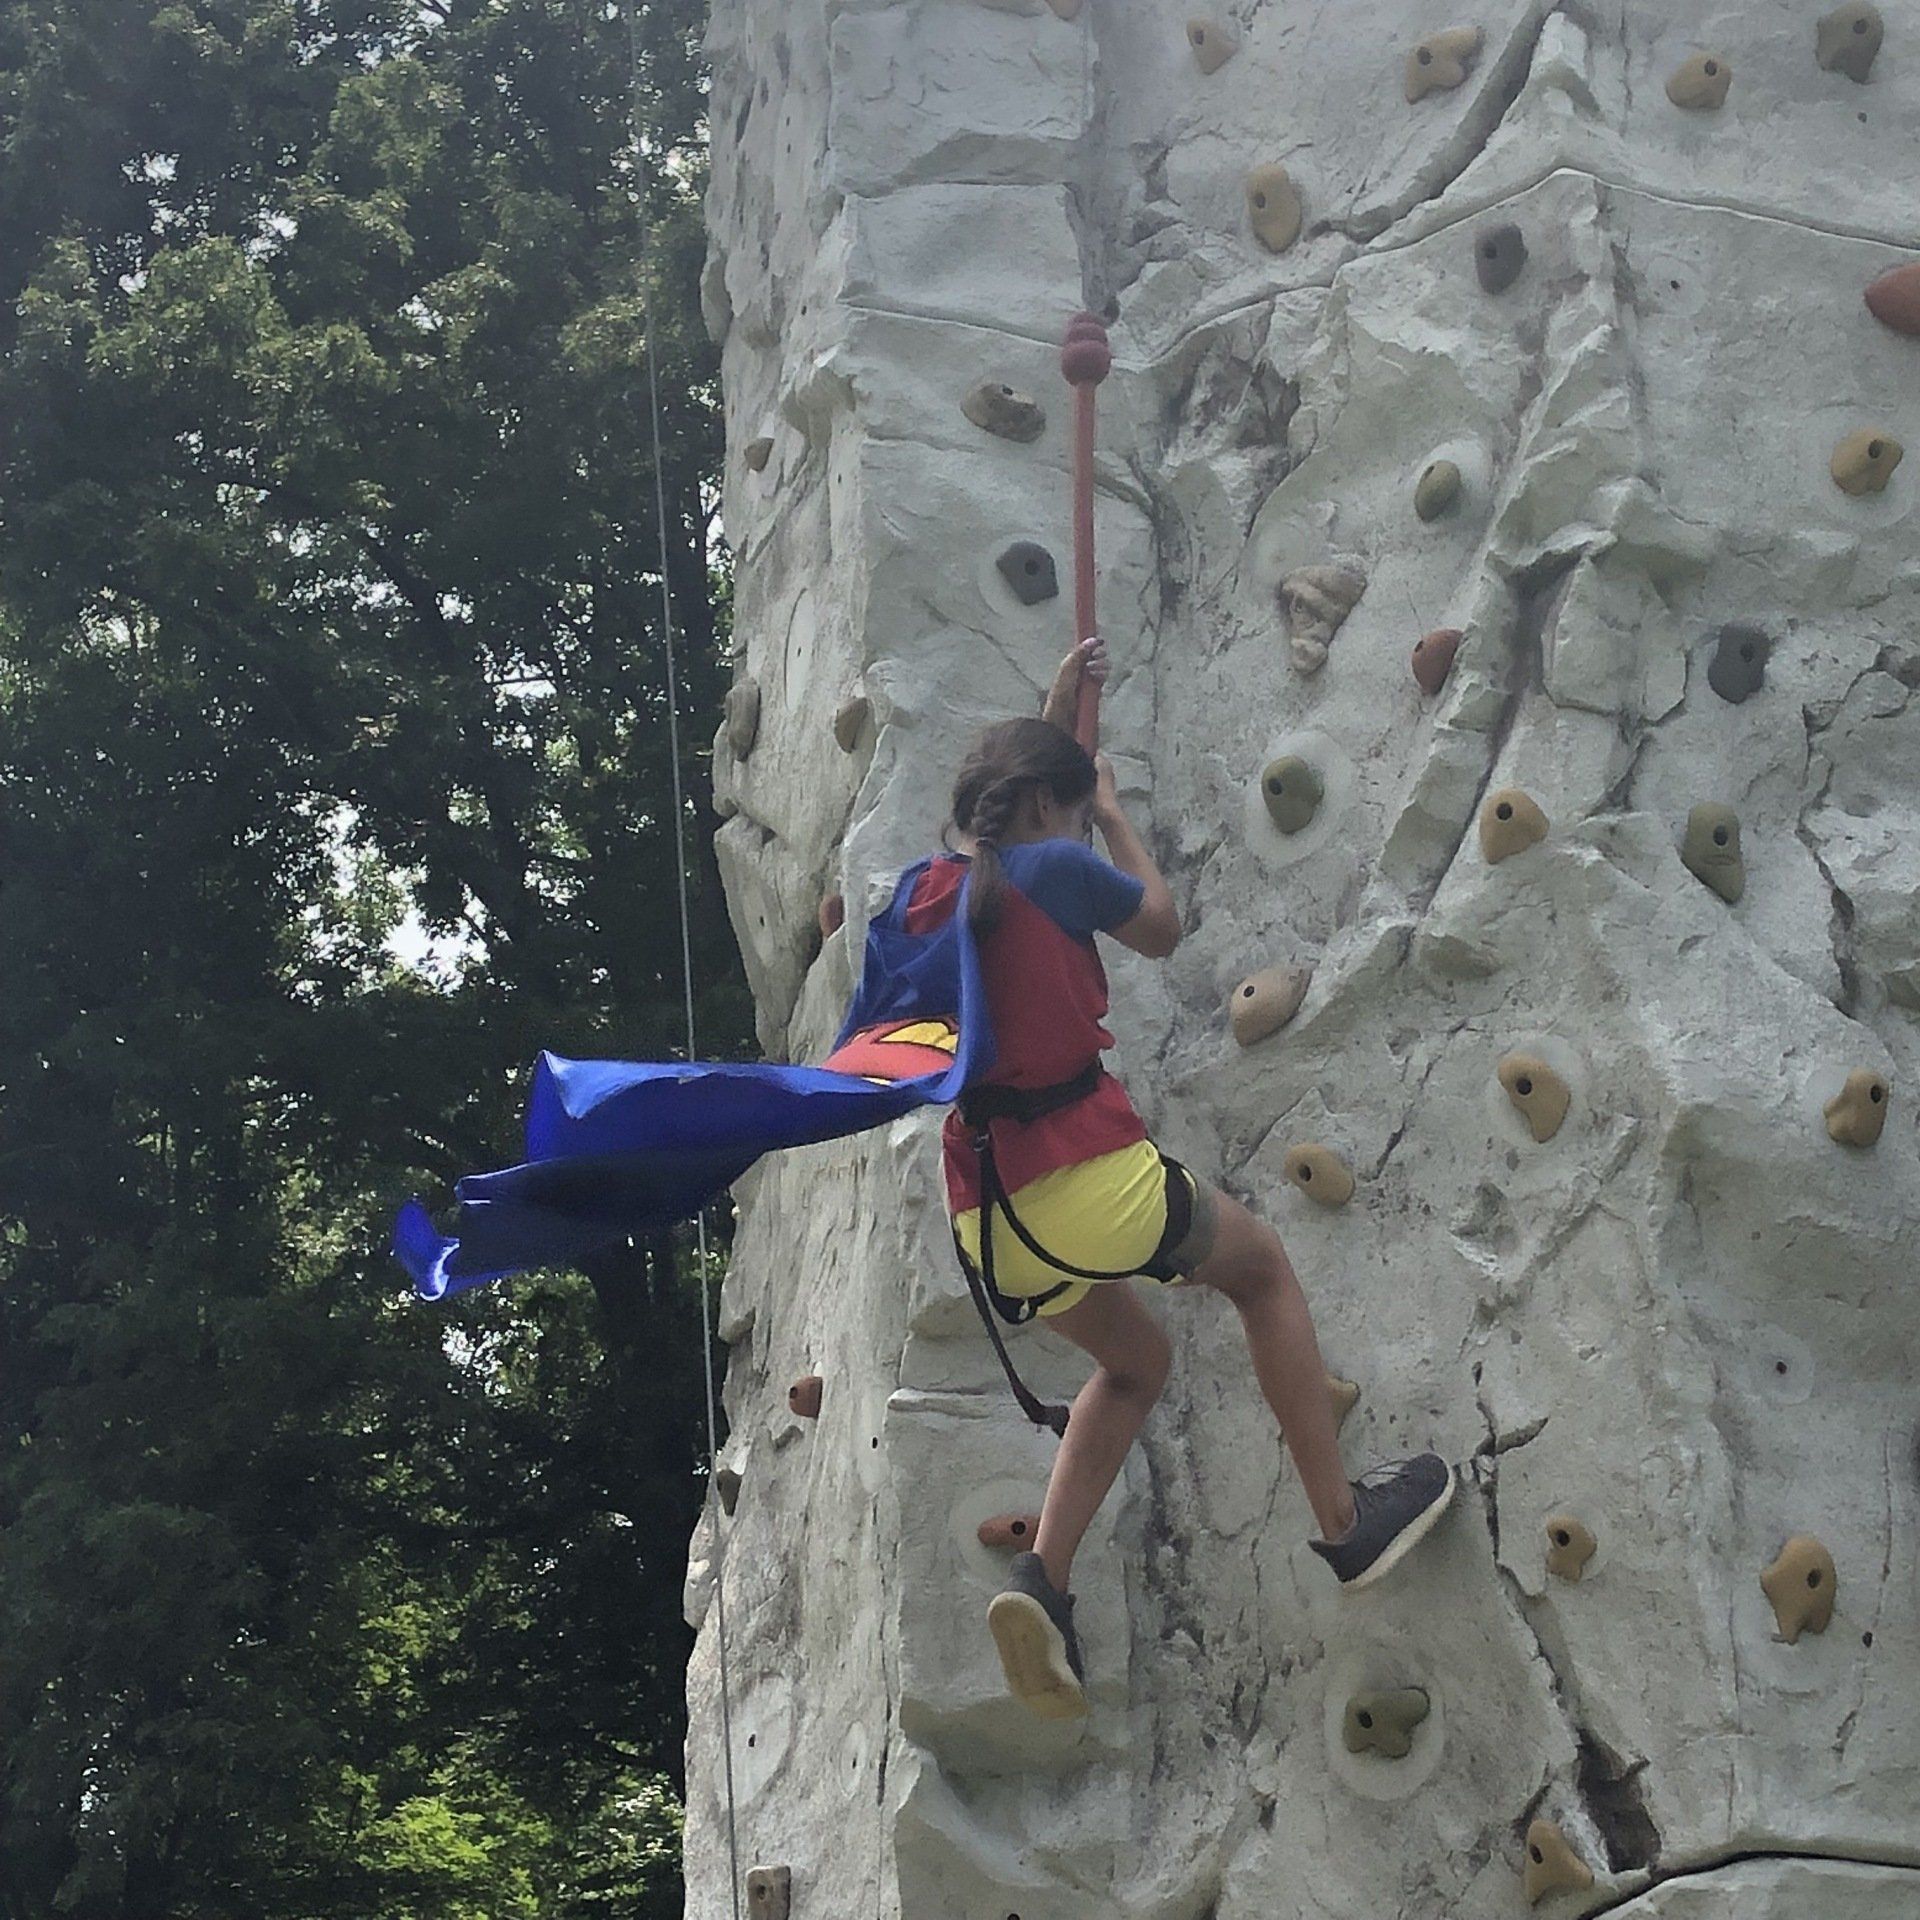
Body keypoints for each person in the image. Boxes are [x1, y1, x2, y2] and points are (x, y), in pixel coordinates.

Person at [904, 638, 1454, 1721]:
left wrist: (1058, 724)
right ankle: (1347, 1526)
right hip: (1081, 1176)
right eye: (1068, 812)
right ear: (1046, 810)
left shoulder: (927, 893)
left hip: (986, 1214)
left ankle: (1044, 1584)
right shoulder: (1058, 866)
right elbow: (1159, 926)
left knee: (1135, 1362)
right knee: (1261, 1271)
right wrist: (1113, 816)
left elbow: (1017, 833)